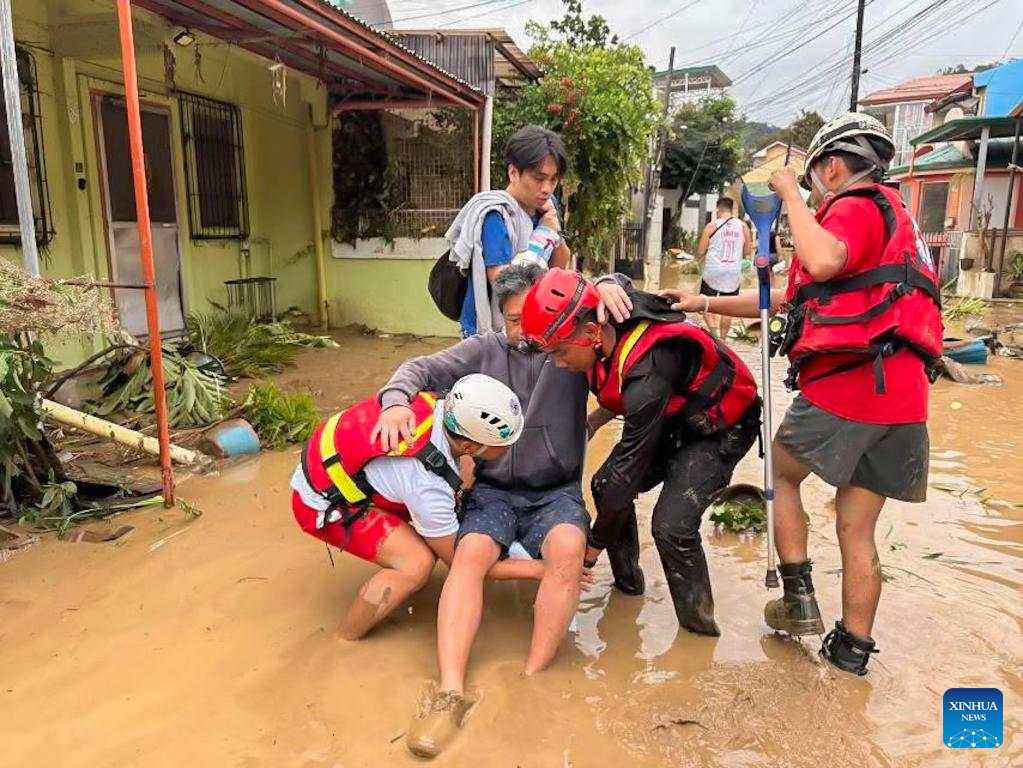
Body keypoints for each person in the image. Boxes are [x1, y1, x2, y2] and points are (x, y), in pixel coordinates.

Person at [661, 112, 943, 675]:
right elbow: (782, 304)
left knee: (780, 472)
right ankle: (850, 655)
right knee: (856, 525)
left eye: (813, 176)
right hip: (904, 401)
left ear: (832, 167)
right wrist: (703, 304)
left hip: (853, 387)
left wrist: (788, 191)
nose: (811, 189)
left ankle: (798, 599)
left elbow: (822, 261)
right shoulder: (897, 224)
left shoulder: (856, 208)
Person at [373, 263, 627, 758]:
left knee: (570, 549)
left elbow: (623, 337)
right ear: (500, 316)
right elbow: (418, 369)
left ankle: (531, 682)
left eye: (532, 317)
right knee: (468, 556)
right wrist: (394, 402)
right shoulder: (483, 351)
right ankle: (450, 690)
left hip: (556, 492)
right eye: (514, 319)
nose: (526, 331)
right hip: (492, 491)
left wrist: (613, 285)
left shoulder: (569, 347)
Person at [520, 268, 762, 637]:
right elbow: (617, 285)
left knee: (671, 526)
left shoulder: (649, 368)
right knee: (602, 485)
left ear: (590, 335)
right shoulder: (608, 315)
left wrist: (591, 549)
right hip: (674, 416)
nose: (558, 363)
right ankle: (628, 587)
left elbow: (628, 473)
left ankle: (698, 634)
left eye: (560, 352)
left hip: (721, 428)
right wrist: (598, 419)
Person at [291, 373, 533, 644]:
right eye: (504, 446)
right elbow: (461, 562)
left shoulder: (439, 403)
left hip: (335, 465)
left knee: (457, 489)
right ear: (468, 444)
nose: (510, 449)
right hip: (319, 503)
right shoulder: (425, 484)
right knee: (417, 563)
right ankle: (345, 639)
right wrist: (539, 570)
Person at [445, 125, 572, 337]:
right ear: (513, 172)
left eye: (553, 179)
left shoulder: (547, 207)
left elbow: (558, 266)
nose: (547, 188)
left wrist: (553, 233)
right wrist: (543, 237)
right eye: (539, 178)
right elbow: (504, 283)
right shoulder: (496, 215)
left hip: (531, 325)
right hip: (489, 333)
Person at [696, 196, 752, 340]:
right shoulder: (743, 226)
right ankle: (723, 339)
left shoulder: (711, 226)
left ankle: (713, 334)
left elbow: (701, 251)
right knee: (728, 306)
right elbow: (747, 252)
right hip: (732, 271)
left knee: (706, 303)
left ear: (718, 209)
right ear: (732, 209)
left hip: (712, 271)